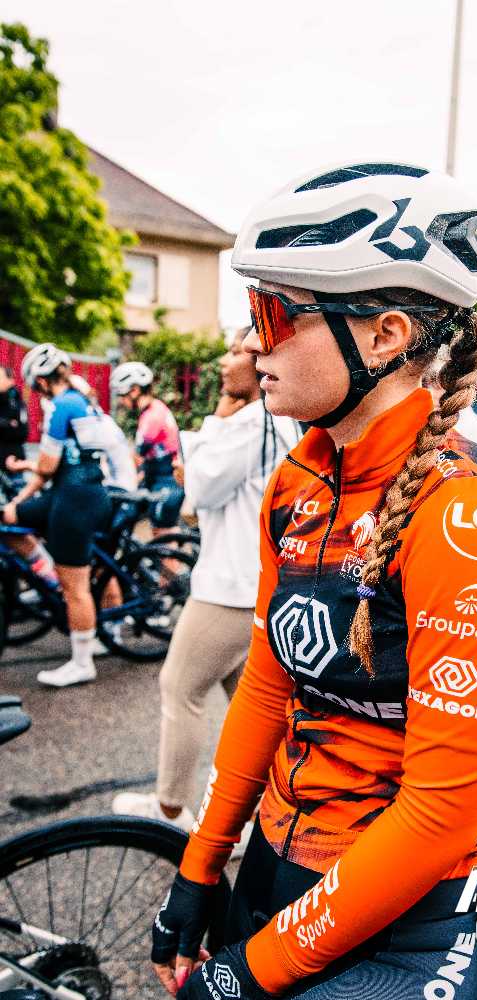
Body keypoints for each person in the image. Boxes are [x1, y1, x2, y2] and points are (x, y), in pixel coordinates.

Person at [151, 162, 477, 1000]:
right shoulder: (298, 480)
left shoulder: (467, 515)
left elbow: (438, 814)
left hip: (405, 911)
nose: (252, 343)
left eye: (272, 313)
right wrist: (200, 864)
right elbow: (267, 687)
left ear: (384, 336)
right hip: (276, 859)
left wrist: (248, 972)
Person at [112, 329, 300, 835]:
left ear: (261, 364)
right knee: (254, 712)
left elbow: (195, 493)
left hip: (229, 588)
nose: (223, 361)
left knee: (179, 689)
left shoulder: (252, 425)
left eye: (236, 352)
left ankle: (169, 811)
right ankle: (259, 820)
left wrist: (214, 422)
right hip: (251, 582)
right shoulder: (272, 421)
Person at [2, 344, 113, 686]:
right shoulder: (83, 401)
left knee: (74, 588)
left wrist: (20, 493)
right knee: (12, 519)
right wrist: (19, 502)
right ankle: (45, 575)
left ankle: (82, 663)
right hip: (86, 493)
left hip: (72, 500)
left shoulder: (62, 405)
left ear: (40, 381)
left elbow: (48, 466)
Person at [110, 361, 184, 537]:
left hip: (165, 482)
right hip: (162, 479)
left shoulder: (152, 417)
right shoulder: (155, 408)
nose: (121, 401)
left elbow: (136, 458)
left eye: (122, 395)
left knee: (163, 536)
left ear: (134, 390)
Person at [0, 365, 28, 490]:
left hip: (12, 460)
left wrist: (4, 424)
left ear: (10, 380)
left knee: (17, 496)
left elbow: (21, 431)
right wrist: (7, 423)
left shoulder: (16, 400)